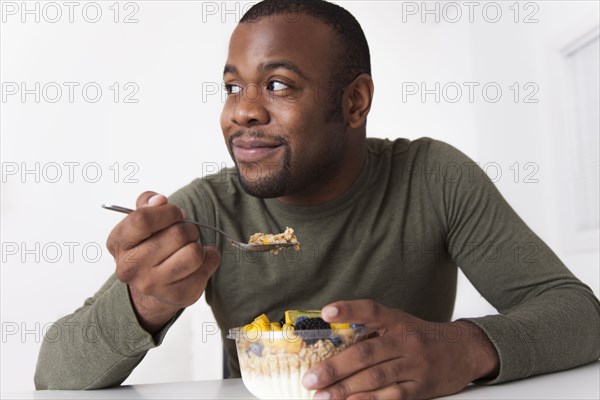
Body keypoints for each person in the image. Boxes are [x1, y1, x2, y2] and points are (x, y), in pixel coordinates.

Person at [35, 0, 600, 398]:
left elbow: (580, 316)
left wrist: (466, 348)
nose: (242, 112)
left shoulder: (433, 177)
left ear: (354, 103)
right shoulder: (205, 215)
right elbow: (54, 375)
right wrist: (143, 304)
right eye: (232, 87)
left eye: (278, 85)